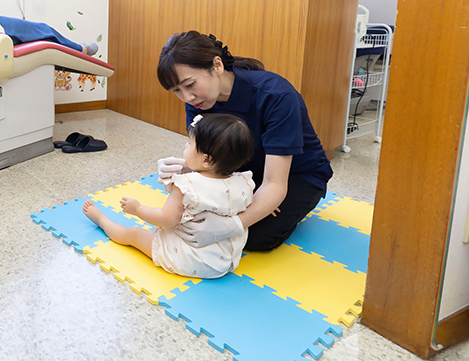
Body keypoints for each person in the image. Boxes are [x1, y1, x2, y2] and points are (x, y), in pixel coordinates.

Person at [156, 31, 334, 251]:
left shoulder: (276, 96)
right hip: (240, 169)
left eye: (190, 85)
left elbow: (274, 183)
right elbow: (208, 158)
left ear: (217, 65)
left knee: (254, 238)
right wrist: (181, 168)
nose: (187, 98)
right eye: (177, 91)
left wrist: (234, 222)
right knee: (188, 217)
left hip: (297, 174)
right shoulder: (198, 101)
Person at [82, 113, 255, 279]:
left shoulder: (186, 185)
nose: (185, 146)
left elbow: (166, 219)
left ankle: (102, 220)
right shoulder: (244, 182)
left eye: (190, 143)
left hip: (193, 260)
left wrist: (138, 209)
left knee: (134, 233)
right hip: (226, 260)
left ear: (206, 160)